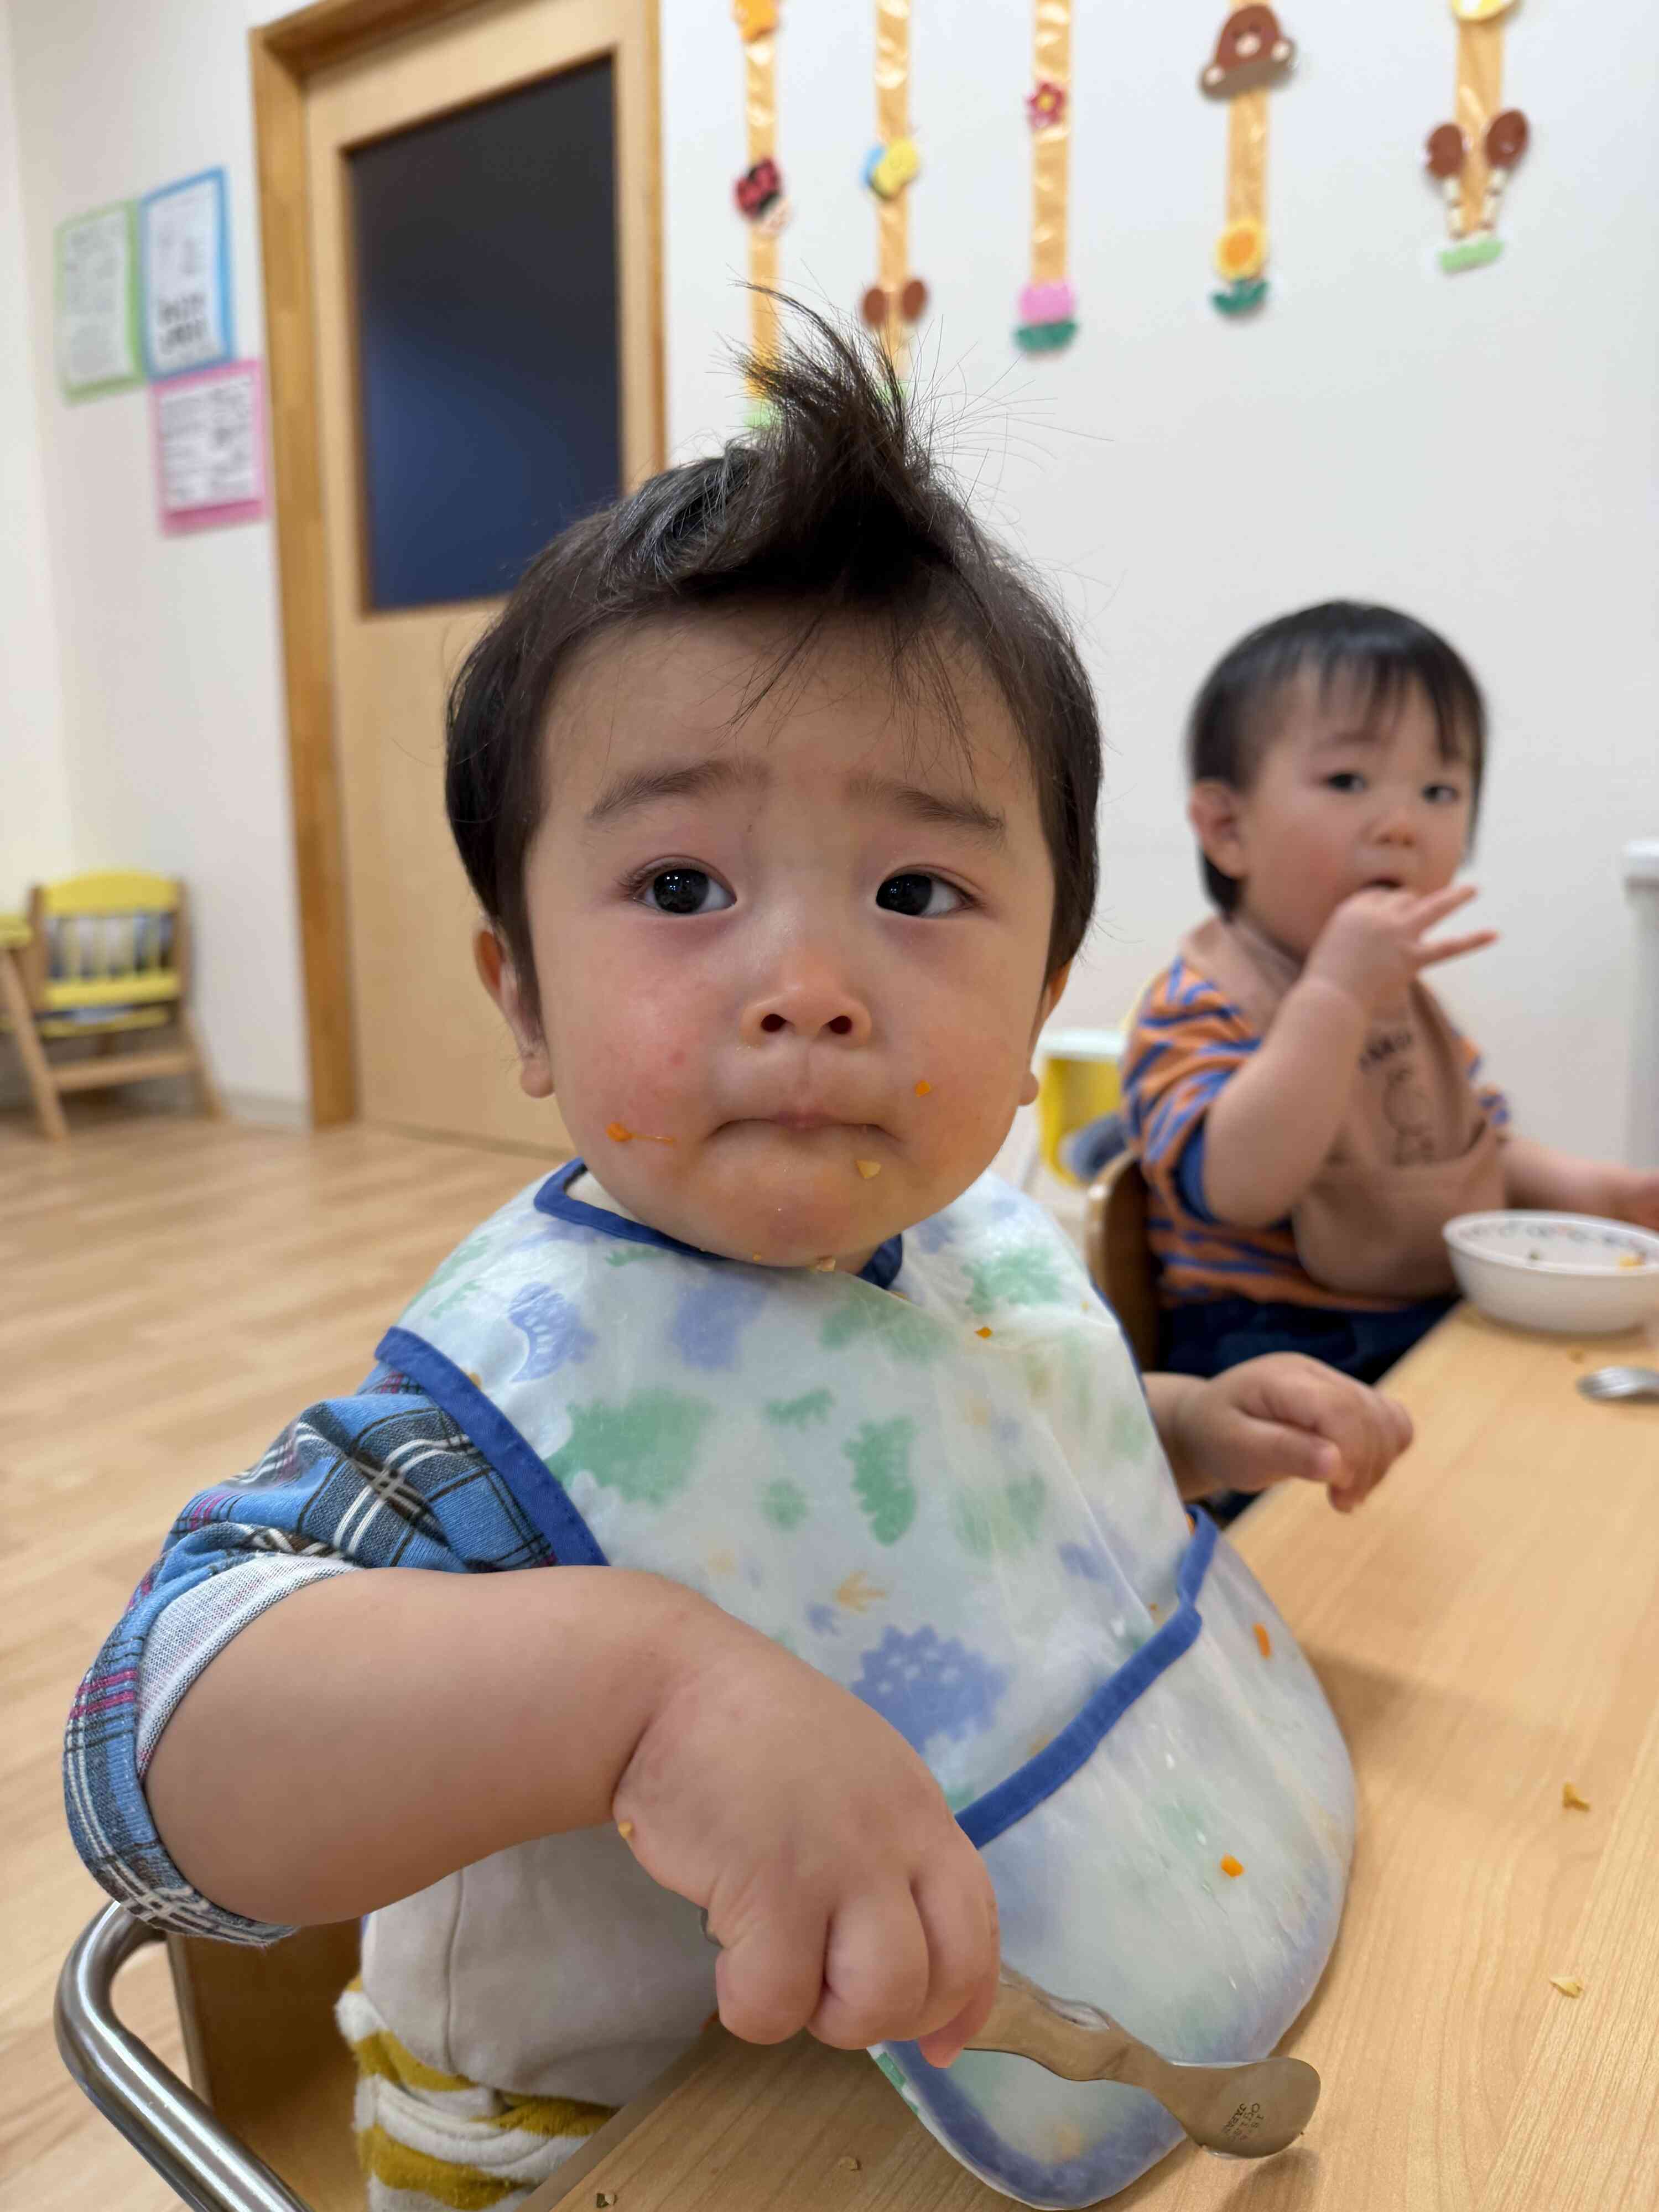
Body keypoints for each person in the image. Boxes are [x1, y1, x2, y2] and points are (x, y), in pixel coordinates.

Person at [65, 326, 1407, 2212]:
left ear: (1040, 1006)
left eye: (919, 894)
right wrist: (641, 1692)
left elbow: (939, 1449)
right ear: (522, 996)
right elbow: (140, 1745)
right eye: (683, 889)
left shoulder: (961, 1247)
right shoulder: (528, 1397)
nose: (808, 981)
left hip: (946, 2068)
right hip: (618, 2147)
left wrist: (1169, 1426)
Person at [1124, 601, 1659, 1388]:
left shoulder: (1408, 1000)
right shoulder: (1200, 1001)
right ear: (1226, 828)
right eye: (1348, 779)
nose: (1403, 824)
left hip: (1434, 1324)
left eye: (1441, 790)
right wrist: (1335, 998)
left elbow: (1478, 1147)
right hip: (1275, 1361)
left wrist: (1611, 1193)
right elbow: (1235, 1187)